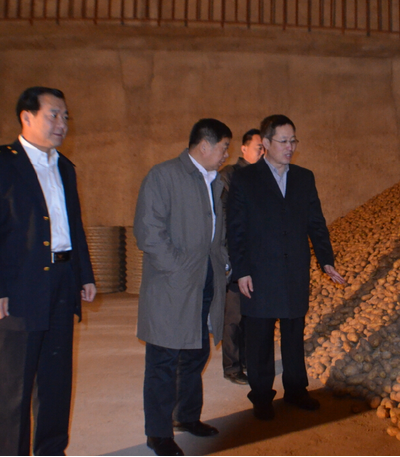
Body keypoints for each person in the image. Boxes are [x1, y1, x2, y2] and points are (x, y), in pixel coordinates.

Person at [0, 86, 97, 456]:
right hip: (17, 291)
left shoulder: (64, 167)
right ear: (26, 117)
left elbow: (73, 225)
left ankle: (52, 450)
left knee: (56, 382)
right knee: (13, 389)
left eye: (65, 116)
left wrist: (84, 274)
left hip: (61, 284)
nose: (62, 123)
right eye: (53, 115)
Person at [226, 114, 345, 421]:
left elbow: (316, 223)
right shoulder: (245, 179)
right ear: (266, 143)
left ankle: (295, 390)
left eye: (293, 141)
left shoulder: (304, 178)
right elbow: (236, 229)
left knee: (294, 335)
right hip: (258, 272)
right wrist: (241, 270)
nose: (290, 147)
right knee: (260, 339)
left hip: (294, 271)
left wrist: (326, 259)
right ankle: (261, 396)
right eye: (284, 141)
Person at [134, 119, 232, 456]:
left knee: (195, 353)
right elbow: (148, 232)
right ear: (204, 145)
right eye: (224, 148)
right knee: (163, 360)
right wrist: (179, 269)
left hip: (205, 282)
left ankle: (187, 416)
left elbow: (218, 233)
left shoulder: (215, 181)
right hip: (171, 287)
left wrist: (223, 263)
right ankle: (158, 433)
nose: (226, 155)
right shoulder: (163, 176)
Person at [219, 128, 263, 385]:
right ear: (244, 149)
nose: (262, 152)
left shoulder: (264, 176)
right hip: (236, 257)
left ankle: (246, 360)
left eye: (264, 148)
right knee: (233, 316)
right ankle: (232, 367)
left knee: (250, 315)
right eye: (258, 148)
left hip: (256, 259)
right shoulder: (229, 176)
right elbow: (225, 221)